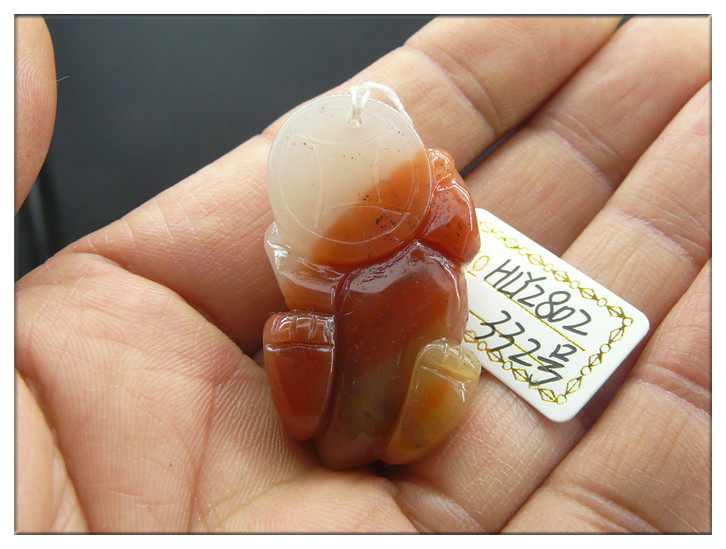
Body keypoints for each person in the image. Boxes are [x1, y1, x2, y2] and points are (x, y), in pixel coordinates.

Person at [15, 15, 711, 533]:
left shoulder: (426, 211)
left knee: (437, 372)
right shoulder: (314, 262)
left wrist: (437, 186)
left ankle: (392, 419)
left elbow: (462, 240)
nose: (369, 204)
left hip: (419, 367)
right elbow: (300, 275)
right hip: (343, 386)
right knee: (321, 369)